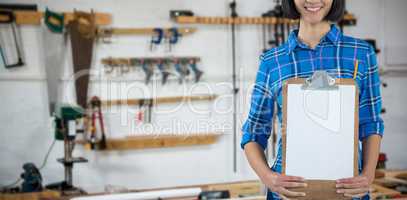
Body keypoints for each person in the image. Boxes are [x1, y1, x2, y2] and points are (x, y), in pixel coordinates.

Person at [240, 0, 384, 199]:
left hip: (349, 191)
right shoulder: (272, 61)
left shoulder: (362, 53)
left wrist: (367, 176)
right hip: (288, 191)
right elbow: (253, 131)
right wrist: (267, 177)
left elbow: (371, 124)